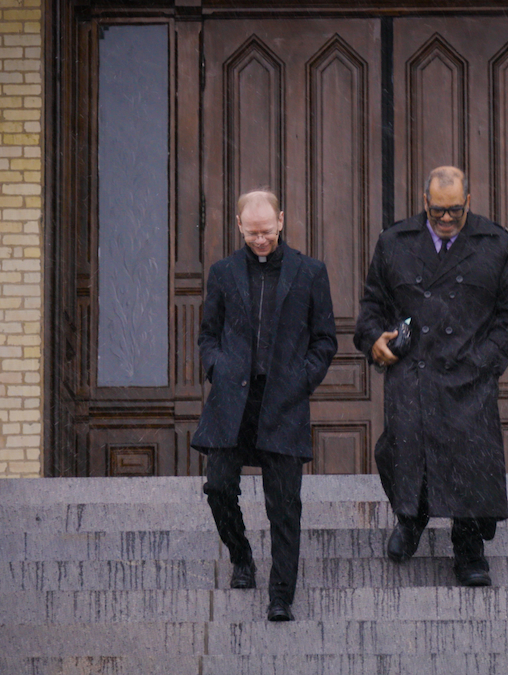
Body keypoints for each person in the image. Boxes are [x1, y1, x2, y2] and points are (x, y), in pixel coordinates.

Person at [354, 166, 508, 586]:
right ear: (423, 201)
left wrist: (484, 361)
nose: (446, 220)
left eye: (453, 211)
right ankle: (410, 520)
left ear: (468, 201)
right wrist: (374, 339)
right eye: (437, 212)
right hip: (413, 372)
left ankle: (469, 549)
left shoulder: (496, 244)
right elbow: (371, 308)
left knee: (470, 460)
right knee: (401, 449)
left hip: (468, 375)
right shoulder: (394, 242)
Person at [192, 189, 337, 621]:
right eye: (252, 232)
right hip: (232, 400)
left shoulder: (310, 272)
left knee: (283, 503)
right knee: (218, 486)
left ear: (281, 221)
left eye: (267, 231)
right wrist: (217, 369)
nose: (260, 240)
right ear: (239, 226)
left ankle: (280, 596)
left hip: (284, 401)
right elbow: (208, 336)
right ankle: (241, 557)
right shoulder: (222, 273)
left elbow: (325, 339)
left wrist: (301, 379)